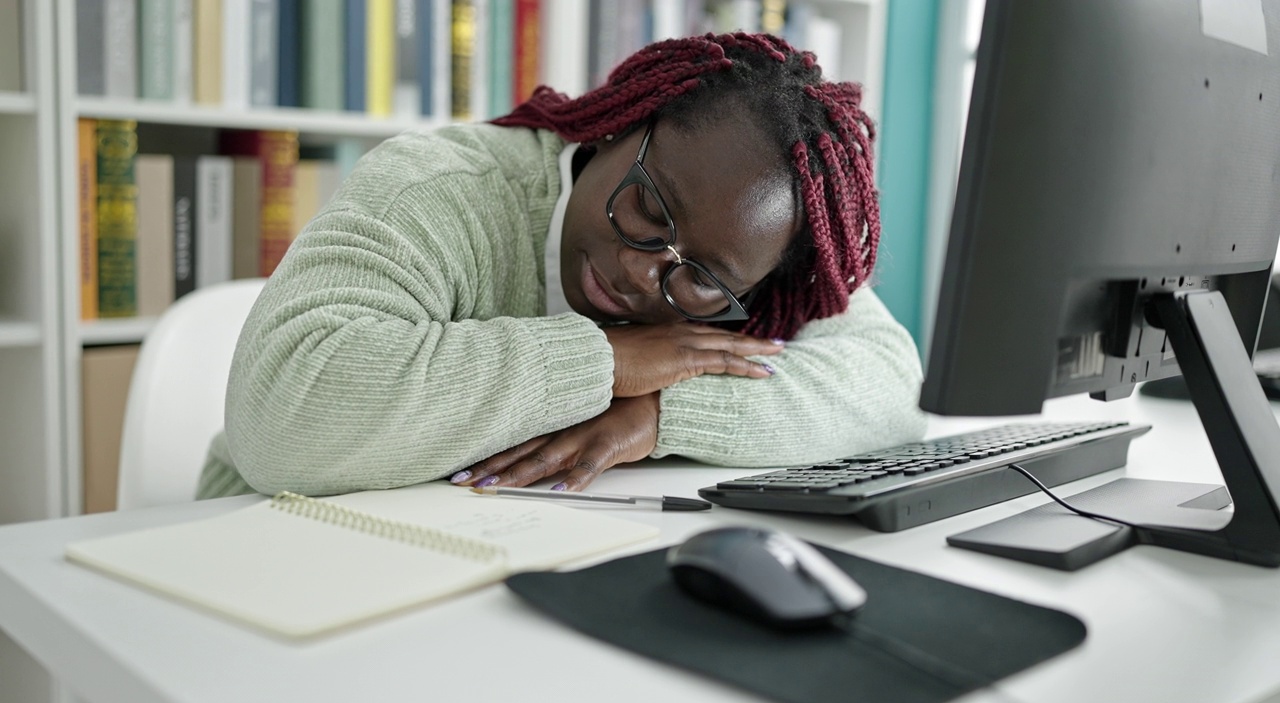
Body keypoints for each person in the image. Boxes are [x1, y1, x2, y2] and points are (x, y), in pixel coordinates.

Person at [196, 32, 926, 500]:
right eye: (650, 208)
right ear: (618, 126)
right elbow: (284, 413)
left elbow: (891, 390)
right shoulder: (441, 189)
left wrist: (660, 412)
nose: (646, 275)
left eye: (701, 277)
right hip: (262, 555)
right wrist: (606, 364)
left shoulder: (758, 279)